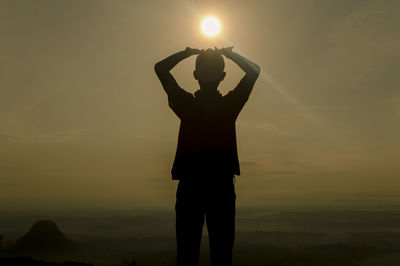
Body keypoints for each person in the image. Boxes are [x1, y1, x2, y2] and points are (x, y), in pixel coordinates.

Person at [154, 46, 260, 266]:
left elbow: (161, 68)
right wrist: (230, 54)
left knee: (187, 252)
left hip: (190, 186)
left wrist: (187, 53)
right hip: (221, 186)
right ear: (223, 76)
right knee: (221, 254)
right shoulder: (229, 106)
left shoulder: (186, 105)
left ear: (195, 75)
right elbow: (254, 71)